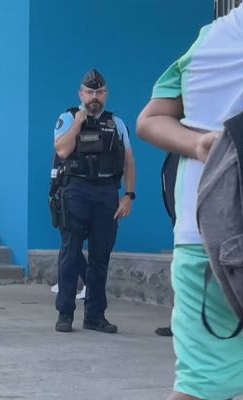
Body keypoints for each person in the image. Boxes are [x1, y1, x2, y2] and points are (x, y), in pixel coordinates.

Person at [137, 5, 243, 399]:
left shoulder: (209, 40)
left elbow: (150, 118)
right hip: (211, 247)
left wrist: (198, 145)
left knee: (200, 384)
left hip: (204, 241)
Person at [53, 68, 136, 334]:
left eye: (99, 92)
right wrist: (78, 122)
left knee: (101, 256)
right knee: (71, 253)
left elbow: (129, 162)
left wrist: (129, 195)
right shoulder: (67, 117)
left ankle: (95, 315)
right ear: (81, 94)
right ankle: (65, 313)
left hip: (107, 194)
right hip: (76, 190)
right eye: (89, 92)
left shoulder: (117, 123)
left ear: (106, 94)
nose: (94, 97)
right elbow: (63, 150)